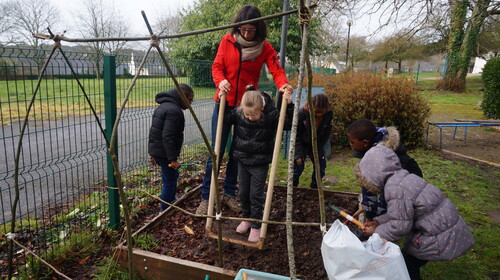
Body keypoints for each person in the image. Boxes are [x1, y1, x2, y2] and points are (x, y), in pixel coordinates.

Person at [196, 4, 293, 215]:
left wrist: (283, 85)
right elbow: (217, 66)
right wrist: (221, 81)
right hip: (223, 103)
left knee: (238, 153)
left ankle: (230, 194)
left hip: (246, 107)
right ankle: (207, 198)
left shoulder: (265, 47)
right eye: (244, 29)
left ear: (259, 29)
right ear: (237, 27)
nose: (247, 34)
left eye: (252, 30)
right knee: (217, 151)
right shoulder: (227, 41)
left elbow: (276, 69)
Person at [358, 145, 475, 280]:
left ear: (374, 173)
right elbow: (401, 214)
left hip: (436, 236)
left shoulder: (394, 189)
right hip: (444, 226)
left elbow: (400, 226)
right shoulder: (403, 177)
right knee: (408, 260)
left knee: (406, 264)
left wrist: (376, 232)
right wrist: (378, 222)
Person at [228, 89, 293, 242]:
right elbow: (224, 118)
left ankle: (256, 224)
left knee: (255, 194)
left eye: (253, 115)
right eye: (247, 114)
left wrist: (289, 105)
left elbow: (288, 123)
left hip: (260, 162)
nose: (250, 118)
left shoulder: (272, 114)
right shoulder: (239, 112)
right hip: (242, 159)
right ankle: (246, 218)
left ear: (262, 108)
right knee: (243, 193)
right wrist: (222, 97)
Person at [347, 119, 423, 221]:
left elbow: (388, 194)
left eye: (352, 142)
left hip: (409, 185)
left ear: (365, 143)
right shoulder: (372, 146)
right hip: (396, 184)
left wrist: (376, 221)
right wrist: (368, 207)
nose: (350, 145)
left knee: (393, 214)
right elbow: (368, 183)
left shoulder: (382, 158)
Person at [148, 84, 194, 211]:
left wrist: (152, 153)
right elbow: (168, 136)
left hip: (160, 151)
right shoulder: (174, 111)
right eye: (190, 100)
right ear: (182, 97)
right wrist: (173, 159)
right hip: (165, 153)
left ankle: (170, 200)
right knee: (170, 180)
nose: (190, 104)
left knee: (170, 177)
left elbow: (155, 132)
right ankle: (165, 208)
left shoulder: (163, 107)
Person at [293, 94, 332, 189]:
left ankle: (315, 187)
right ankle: (293, 187)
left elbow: (327, 130)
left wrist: (320, 145)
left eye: (321, 112)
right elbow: (296, 135)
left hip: (317, 143)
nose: (319, 115)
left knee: (320, 166)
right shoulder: (302, 113)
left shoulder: (328, 113)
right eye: (317, 112)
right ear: (311, 106)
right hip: (302, 143)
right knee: (298, 166)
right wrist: (298, 154)